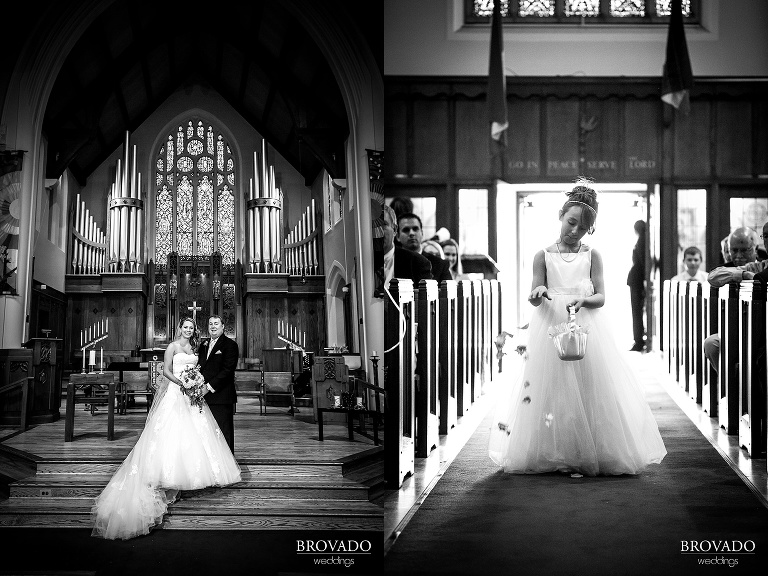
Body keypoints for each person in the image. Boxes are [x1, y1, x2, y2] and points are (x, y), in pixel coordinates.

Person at [488, 180, 666, 476]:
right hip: (550, 327)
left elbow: (601, 297)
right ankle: (553, 448)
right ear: (561, 215)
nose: (574, 231)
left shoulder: (592, 254)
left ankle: (591, 447)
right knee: (551, 387)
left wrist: (583, 300)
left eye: (582, 228)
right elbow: (536, 293)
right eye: (571, 223)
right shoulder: (541, 255)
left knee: (589, 387)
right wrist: (538, 293)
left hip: (584, 326)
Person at [91, 317, 241, 540]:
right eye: (186, 327)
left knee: (197, 434)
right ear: (180, 328)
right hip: (176, 394)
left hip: (196, 395)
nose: (189, 330)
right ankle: (169, 475)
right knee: (171, 433)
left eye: (192, 328)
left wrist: (196, 383)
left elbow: (211, 369)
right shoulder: (173, 346)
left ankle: (198, 473)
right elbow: (166, 371)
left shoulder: (199, 347)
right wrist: (182, 383)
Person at [703, 225, 768, 372]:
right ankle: (731, 386)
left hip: (762, 329)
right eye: (734, 250)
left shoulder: (763, 265)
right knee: (712, 343)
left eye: (745, 250)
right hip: (740, 327)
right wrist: (743, 275)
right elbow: (713, 277)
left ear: (756, 248)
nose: (739, 256)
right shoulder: (754, 267)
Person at [198, 314, 239, 453]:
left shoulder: (230, 345)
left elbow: (227, 371)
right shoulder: (203, 344)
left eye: (216, 323)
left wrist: (208, 387)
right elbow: (200, 367)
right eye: (210, 324)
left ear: (223, 326)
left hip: (221, 395)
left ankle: (228, 467)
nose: (213, 326)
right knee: (207, 432)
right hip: (204, 396)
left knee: (223, 432)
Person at [398, 212, 452, 283]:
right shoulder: (391, 263)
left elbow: (448, 293)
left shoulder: (440, 265)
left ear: (422, 233)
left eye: (415, 229)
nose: (411, 233)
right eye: (406, 230)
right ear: (397, 236)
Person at [627, 219, 647, 351]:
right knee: (636, 311)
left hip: (638, 280)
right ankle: (638, 339)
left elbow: (644, 263)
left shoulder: (642, 241)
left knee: (636, 311)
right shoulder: (643, 240)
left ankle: (639, 340)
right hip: (637, 279)